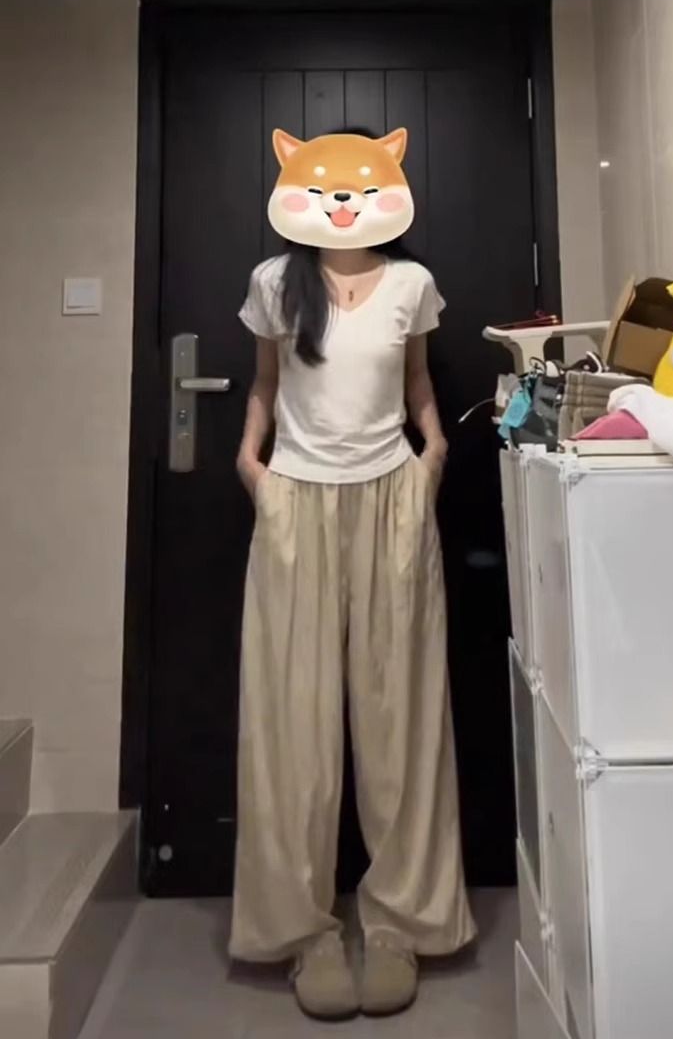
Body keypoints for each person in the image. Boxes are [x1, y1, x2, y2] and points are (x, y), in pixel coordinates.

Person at [229, 127, 476, 1021]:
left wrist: (433, 452)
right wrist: (251, 464)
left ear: (387, 187)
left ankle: (401, 925)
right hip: (295, 501)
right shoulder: (273, 281)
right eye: (326, 188)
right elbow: (265, 384)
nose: (342, 205)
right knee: (291, 721)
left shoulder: (411, 284)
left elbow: (418, 384)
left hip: (392, 501)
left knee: (399, 712)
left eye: (358, 188)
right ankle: (305, 932)